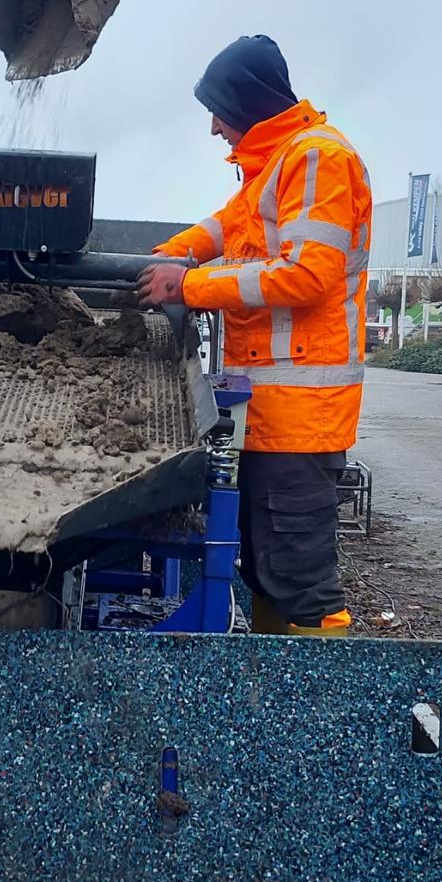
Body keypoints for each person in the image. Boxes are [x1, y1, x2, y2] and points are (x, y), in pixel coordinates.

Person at [137, 35, 371, 635]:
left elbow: (308, 275)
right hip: (271, 416)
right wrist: (161, 258)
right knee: (267, 568)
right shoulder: (273, 165)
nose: (215, 128)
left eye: (219, 110)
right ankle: (271, 688)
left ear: (246, 102)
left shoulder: (318, 159)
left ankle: (315, 702)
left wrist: (187, 288)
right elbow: (223, 228)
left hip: (303, 418)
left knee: (301, 580)